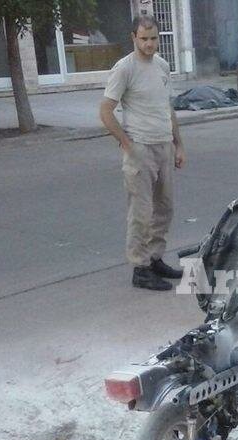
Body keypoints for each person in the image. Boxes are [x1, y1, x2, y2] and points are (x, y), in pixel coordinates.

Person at [99, 15, 186, 291]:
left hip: (164, 145)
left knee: (165, 208)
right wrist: (126, 144)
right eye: (144, 39)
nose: (149, 44)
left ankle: (155, 258)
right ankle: (140, 268)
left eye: (153, 38)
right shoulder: (124, 68)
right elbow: (105, 111)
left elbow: (166, 107)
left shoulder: (161, 66)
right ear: (133, 37)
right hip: (140, 149)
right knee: (142, 212)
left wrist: (179, 144)